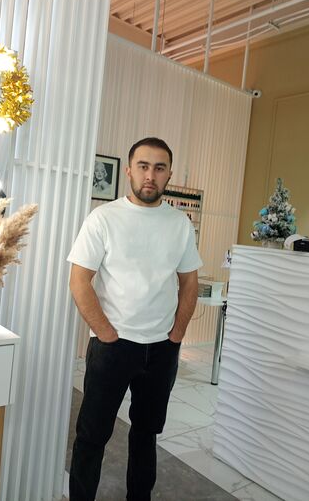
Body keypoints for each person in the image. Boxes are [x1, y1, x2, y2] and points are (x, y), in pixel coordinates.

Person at [67, 137, 202, 501]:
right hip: (113, 348)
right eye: (143, 166)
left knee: (146, 434)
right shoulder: (104, 218)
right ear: (129, 170)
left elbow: (190, 282)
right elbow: (79, 281)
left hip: (161, 349)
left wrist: (177, 333)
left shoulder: (179, 224)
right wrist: (106, 333)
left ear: (169, 174)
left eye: (159, 168)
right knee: (92, 435)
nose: (150, 175)